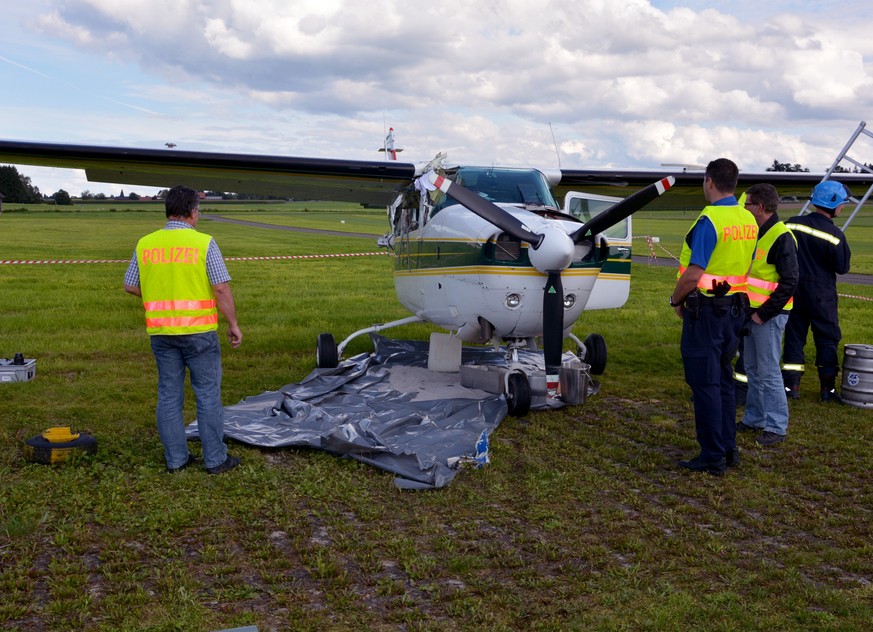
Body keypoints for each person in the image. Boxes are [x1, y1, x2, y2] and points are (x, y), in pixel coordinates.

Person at [124, 185, 243, 474]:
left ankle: (176, 460)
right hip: (199, 332)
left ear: (167, 212)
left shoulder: (145, 243)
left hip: (162, 333)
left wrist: (158, 298)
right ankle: (215, 459)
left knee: (168, 395)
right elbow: (221, 288)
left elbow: (130, 285)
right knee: (207, 395)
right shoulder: (204, 243)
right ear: (192, 212)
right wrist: (233, 324)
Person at [670, 158, 757, 476]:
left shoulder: (710, 219)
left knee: (704, 383)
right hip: (735, 310)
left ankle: (712, 455)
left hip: (706, 313)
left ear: (709, 181)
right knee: (722, 380)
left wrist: (675, 299)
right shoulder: (747, 218)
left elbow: (694, 273)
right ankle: (728, 447)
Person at [736, 184, 798, 446]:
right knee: (752, 368)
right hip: (752, 313)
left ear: (759, 207)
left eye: (747, 204)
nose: (744, 208)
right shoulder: (758, 233)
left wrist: (764, 314)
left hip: (768, 316)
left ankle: (776, 426)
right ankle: (754, 418)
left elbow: (790, 281)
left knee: (769, 371)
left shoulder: (782, 237)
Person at [782, 180, 852, 403]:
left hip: (793, 290)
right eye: (843, 204)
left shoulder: (791, 224)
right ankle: (827, 390)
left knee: (794, 337)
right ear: (832, 203)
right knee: (827, 339)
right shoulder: (835, 235)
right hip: (822, 294)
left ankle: (791, 386)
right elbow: (842, 267)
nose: (843, 208)